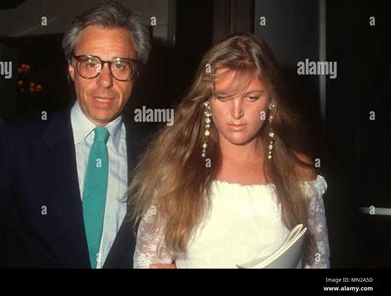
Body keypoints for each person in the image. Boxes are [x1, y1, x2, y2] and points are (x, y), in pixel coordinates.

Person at [0, 1, 151, 268]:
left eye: (120, 65)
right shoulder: (15, 142)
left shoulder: (155, 153)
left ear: (136, 74)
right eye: (90, 63)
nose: (106, 80)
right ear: (71, 69)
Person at [130, 33, 330, 268]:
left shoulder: (299, 174)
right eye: (223, 97)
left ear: (271, 101)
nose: (236, 112)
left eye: (251, 97)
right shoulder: (176, 170)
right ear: (207, 101)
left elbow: (318, 263)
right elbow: (148, 261)